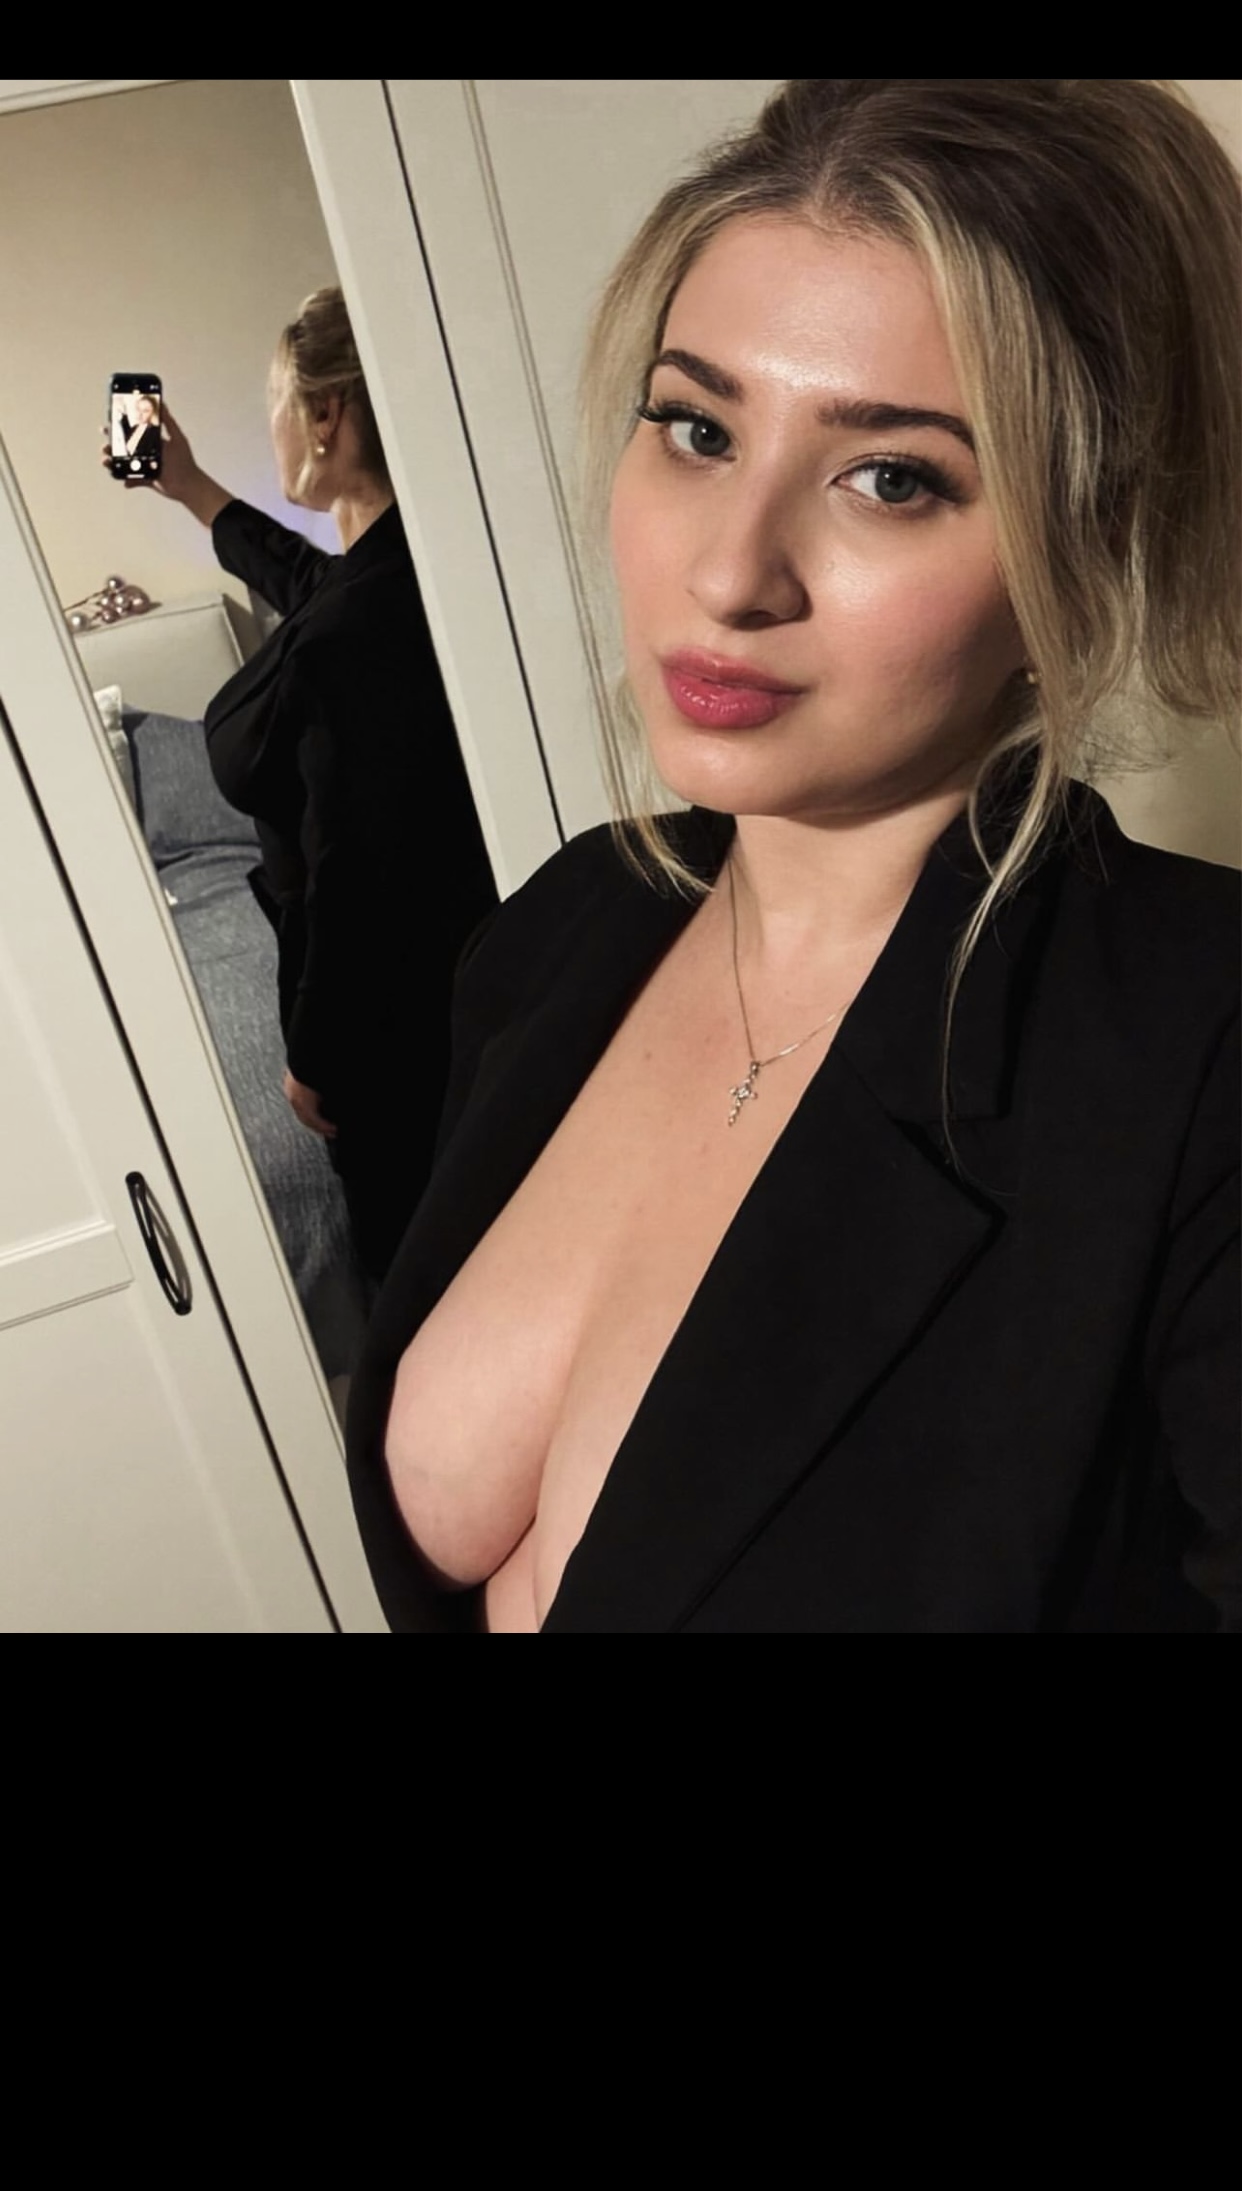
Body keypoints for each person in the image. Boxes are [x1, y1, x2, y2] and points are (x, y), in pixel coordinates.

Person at [346, 81, 1240, 1634]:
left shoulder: (1201, 1063)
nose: (727, 572)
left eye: (891, 476)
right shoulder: (566, 925)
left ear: (1086, 552)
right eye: (696, 429)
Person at [112, 286, 496, 1283]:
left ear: (325, 415)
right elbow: (303, 578)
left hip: (384, 1027)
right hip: (442, 984)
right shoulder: (403, 575)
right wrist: (191, 488)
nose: (274, 427)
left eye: (277, 404)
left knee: (416, 1265)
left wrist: (319, 1054)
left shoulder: (356, 631)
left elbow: (351, 874)